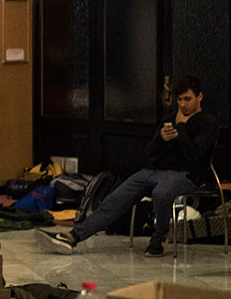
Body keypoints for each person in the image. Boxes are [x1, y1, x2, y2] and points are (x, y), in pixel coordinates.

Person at [44, 76, 219, 257]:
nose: (183, 105)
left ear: (199, 97)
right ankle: (74, 236)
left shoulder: (207, 123)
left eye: (187, 99)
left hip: (186, 174)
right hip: (155, 171)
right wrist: (161, 139)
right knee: (117, 197)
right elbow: (150, 155)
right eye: (180, 100)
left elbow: (194, 155)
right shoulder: (169, 119)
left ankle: (159, 236)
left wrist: (181, 129)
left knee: (162, 192)